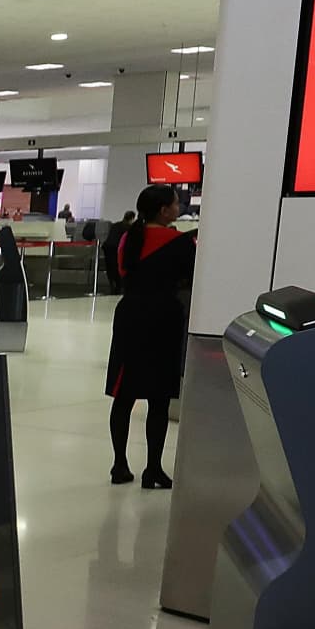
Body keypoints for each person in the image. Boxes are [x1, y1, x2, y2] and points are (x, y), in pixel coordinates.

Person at [104, 185, 196, 489]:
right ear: (163, 210)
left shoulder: (129, 238)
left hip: (130, 315)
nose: (177, 206)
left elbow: (121, 273)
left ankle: (119, 464)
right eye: (174, 203)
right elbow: (189, 277)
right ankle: (153, 469)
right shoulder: (181, 242)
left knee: (124, 395)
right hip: (165, 318)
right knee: (158, 398)